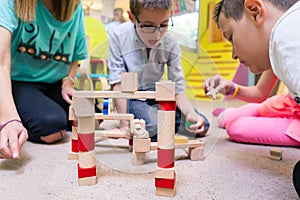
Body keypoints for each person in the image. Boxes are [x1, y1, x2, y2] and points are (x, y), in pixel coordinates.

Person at [203, 0, 300, 197]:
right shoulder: (280, 39)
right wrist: (231, 88)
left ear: (255, 12)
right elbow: (259, 92)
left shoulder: (286, 36)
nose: (233, 55)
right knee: (227, 119)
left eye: (231, 38)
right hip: (285, 103)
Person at [108, 0, 210, 142]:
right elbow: (117, 82)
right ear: (132, 18)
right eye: (148, 26)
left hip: (158, 96)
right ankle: (157, 123)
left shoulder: (171, 44)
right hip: (133, 98)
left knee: (202, 125)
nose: (156, 35)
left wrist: (190, 113)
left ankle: (161, 123)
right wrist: (124, 125)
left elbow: (178, 88)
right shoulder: (117, 35)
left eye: (164, 25)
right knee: (154, 126)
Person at [0, 0, 88, 159]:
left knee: (89, 116)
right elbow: (1, 62)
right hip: (20, 81)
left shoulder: (75, 5)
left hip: (54, 82)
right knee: (52, 128)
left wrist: (69, 80)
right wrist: (10, 120)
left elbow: (76, 53)